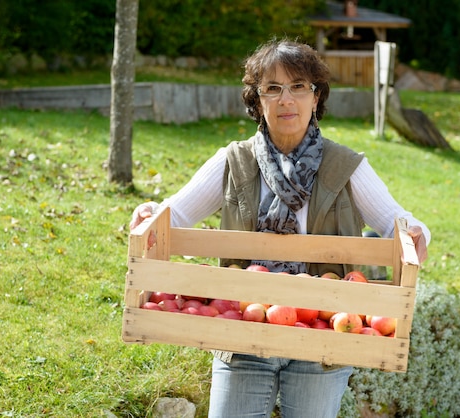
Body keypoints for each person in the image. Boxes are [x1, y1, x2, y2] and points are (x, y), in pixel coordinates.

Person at [130, 38, 430, 418]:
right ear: (257, 101)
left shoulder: (346, 166)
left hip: (321, 334)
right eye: (272, 88)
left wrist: (417, 233)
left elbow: (397, 222)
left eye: (298, 87)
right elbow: (177, 213)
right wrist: (151, 212)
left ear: (316, 97)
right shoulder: (234, 161)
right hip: (241, 329)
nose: (286, 99)